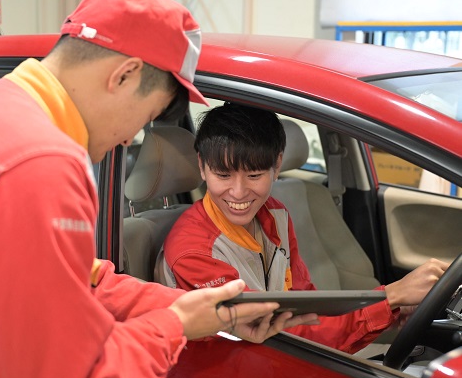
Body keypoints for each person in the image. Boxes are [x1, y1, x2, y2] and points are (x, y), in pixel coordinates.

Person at [0, 0, 317, 378]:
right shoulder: (42, 162)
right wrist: (173, 327)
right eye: (146, 117)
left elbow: (80, 279)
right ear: (124, 75)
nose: (132, 139)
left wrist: (198, 311)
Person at [156, 103, 449, 354]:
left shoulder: (274, 213)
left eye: (255, 174)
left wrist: (390, 309)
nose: (238, 192)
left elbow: (305, 308)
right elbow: (284, 338)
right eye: (222, 175)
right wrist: (392, 297)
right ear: (202, 166)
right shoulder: (194, 252)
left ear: (278, 164)